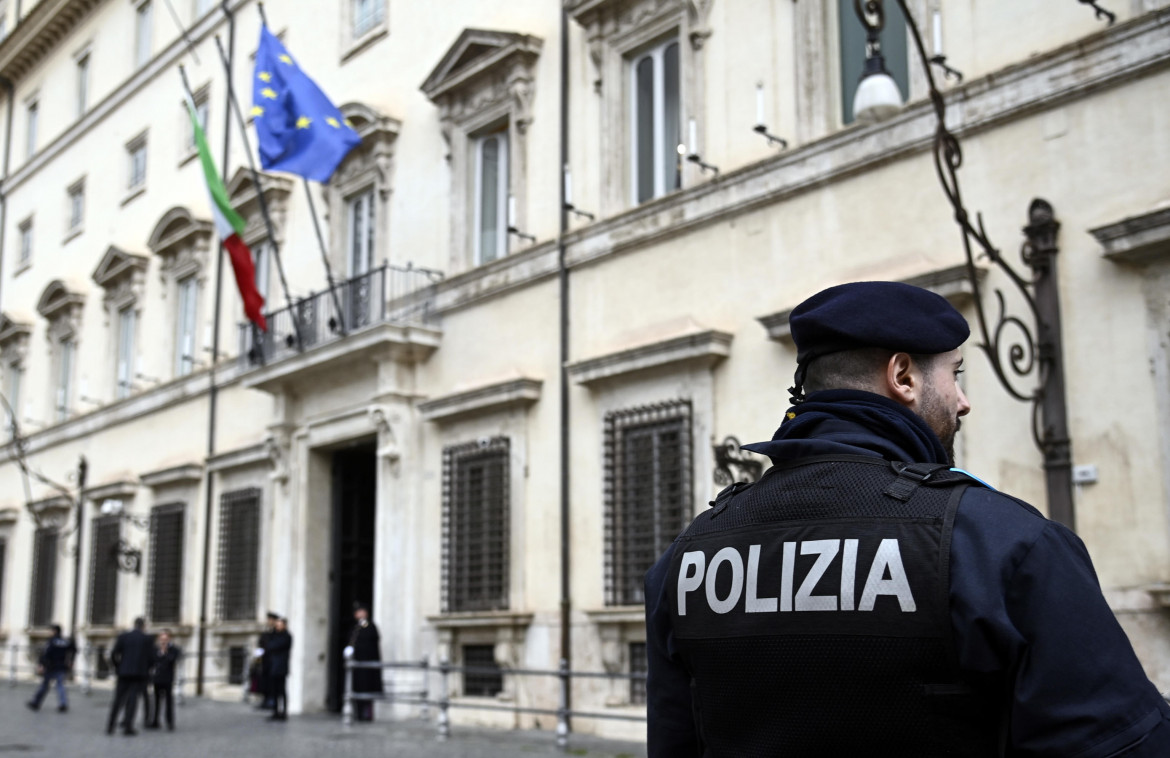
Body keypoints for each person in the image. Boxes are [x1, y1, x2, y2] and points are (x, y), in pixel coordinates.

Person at [644, 281, 1170, 757]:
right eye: (955, 375)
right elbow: (1120, 746)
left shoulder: (688, 557)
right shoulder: (1004, 545)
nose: (962, 402)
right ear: (903, 376)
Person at [107, 618, 153, 736]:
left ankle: (110, 725)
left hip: (124, 673)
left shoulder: (124, 636)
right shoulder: (147, 638)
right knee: (132, 700)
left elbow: (113, 654)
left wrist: (118, 667)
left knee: (118, 700)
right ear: (143, 626)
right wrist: (146, 670)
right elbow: (152, 658)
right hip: (138, 674)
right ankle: (128, 726)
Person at [345, 603, 383, 721]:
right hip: (357, 665)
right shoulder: (355, 627)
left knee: (367, 689)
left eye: (361, 611)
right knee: (356, 688)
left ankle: (367, 713)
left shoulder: (370, 626)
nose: (359, 614)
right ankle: (358, 712)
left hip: (367, 664)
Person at [26, 624, 76, 713]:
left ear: (54, 631)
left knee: (44, 686)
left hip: (51, 667)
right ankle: (63, 704)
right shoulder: (65, 641)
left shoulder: (51, 641)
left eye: (51, 631)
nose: (49, 632)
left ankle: (36, 703)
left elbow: (46, 654)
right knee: (60, 686)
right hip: (61, 666)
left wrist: (41, 664)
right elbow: (74, 649)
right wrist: (71, 661)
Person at [146, 630, 180, 731]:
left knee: (169, 701)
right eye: (161, 639)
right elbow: (152, 661)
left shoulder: (174, 649)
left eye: (165, 639)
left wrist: (164, 652)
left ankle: (169, 722)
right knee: (156, 700)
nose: (163, 642)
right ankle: (155, 721)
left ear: (169, 639)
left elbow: (172, 660)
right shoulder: (155, 649)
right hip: (157, 678)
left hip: (168, 678)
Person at [264, 617, 292, 722]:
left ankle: (283, 712)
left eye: (279, 625)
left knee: (282, 691)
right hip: (273, 667)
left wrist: (272, 644)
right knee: (274, 691)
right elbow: (268, 644)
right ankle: (275, 711)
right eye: (277, 625)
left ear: (284, 625)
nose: (277, 627)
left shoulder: (287, 637)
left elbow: (273, 646)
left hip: (281, 668)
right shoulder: (274, 635)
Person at [253, 611, 279, 710]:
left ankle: (271, 700)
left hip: (273, 662)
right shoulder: (265, 633)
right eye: (269, 619)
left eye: (271, 620)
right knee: (263, 681)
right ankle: (265, 699)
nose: (269, 621)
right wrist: (257, 660)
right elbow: (260, 647)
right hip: (264, 662)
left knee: (272, 682)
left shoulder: (276, 634)